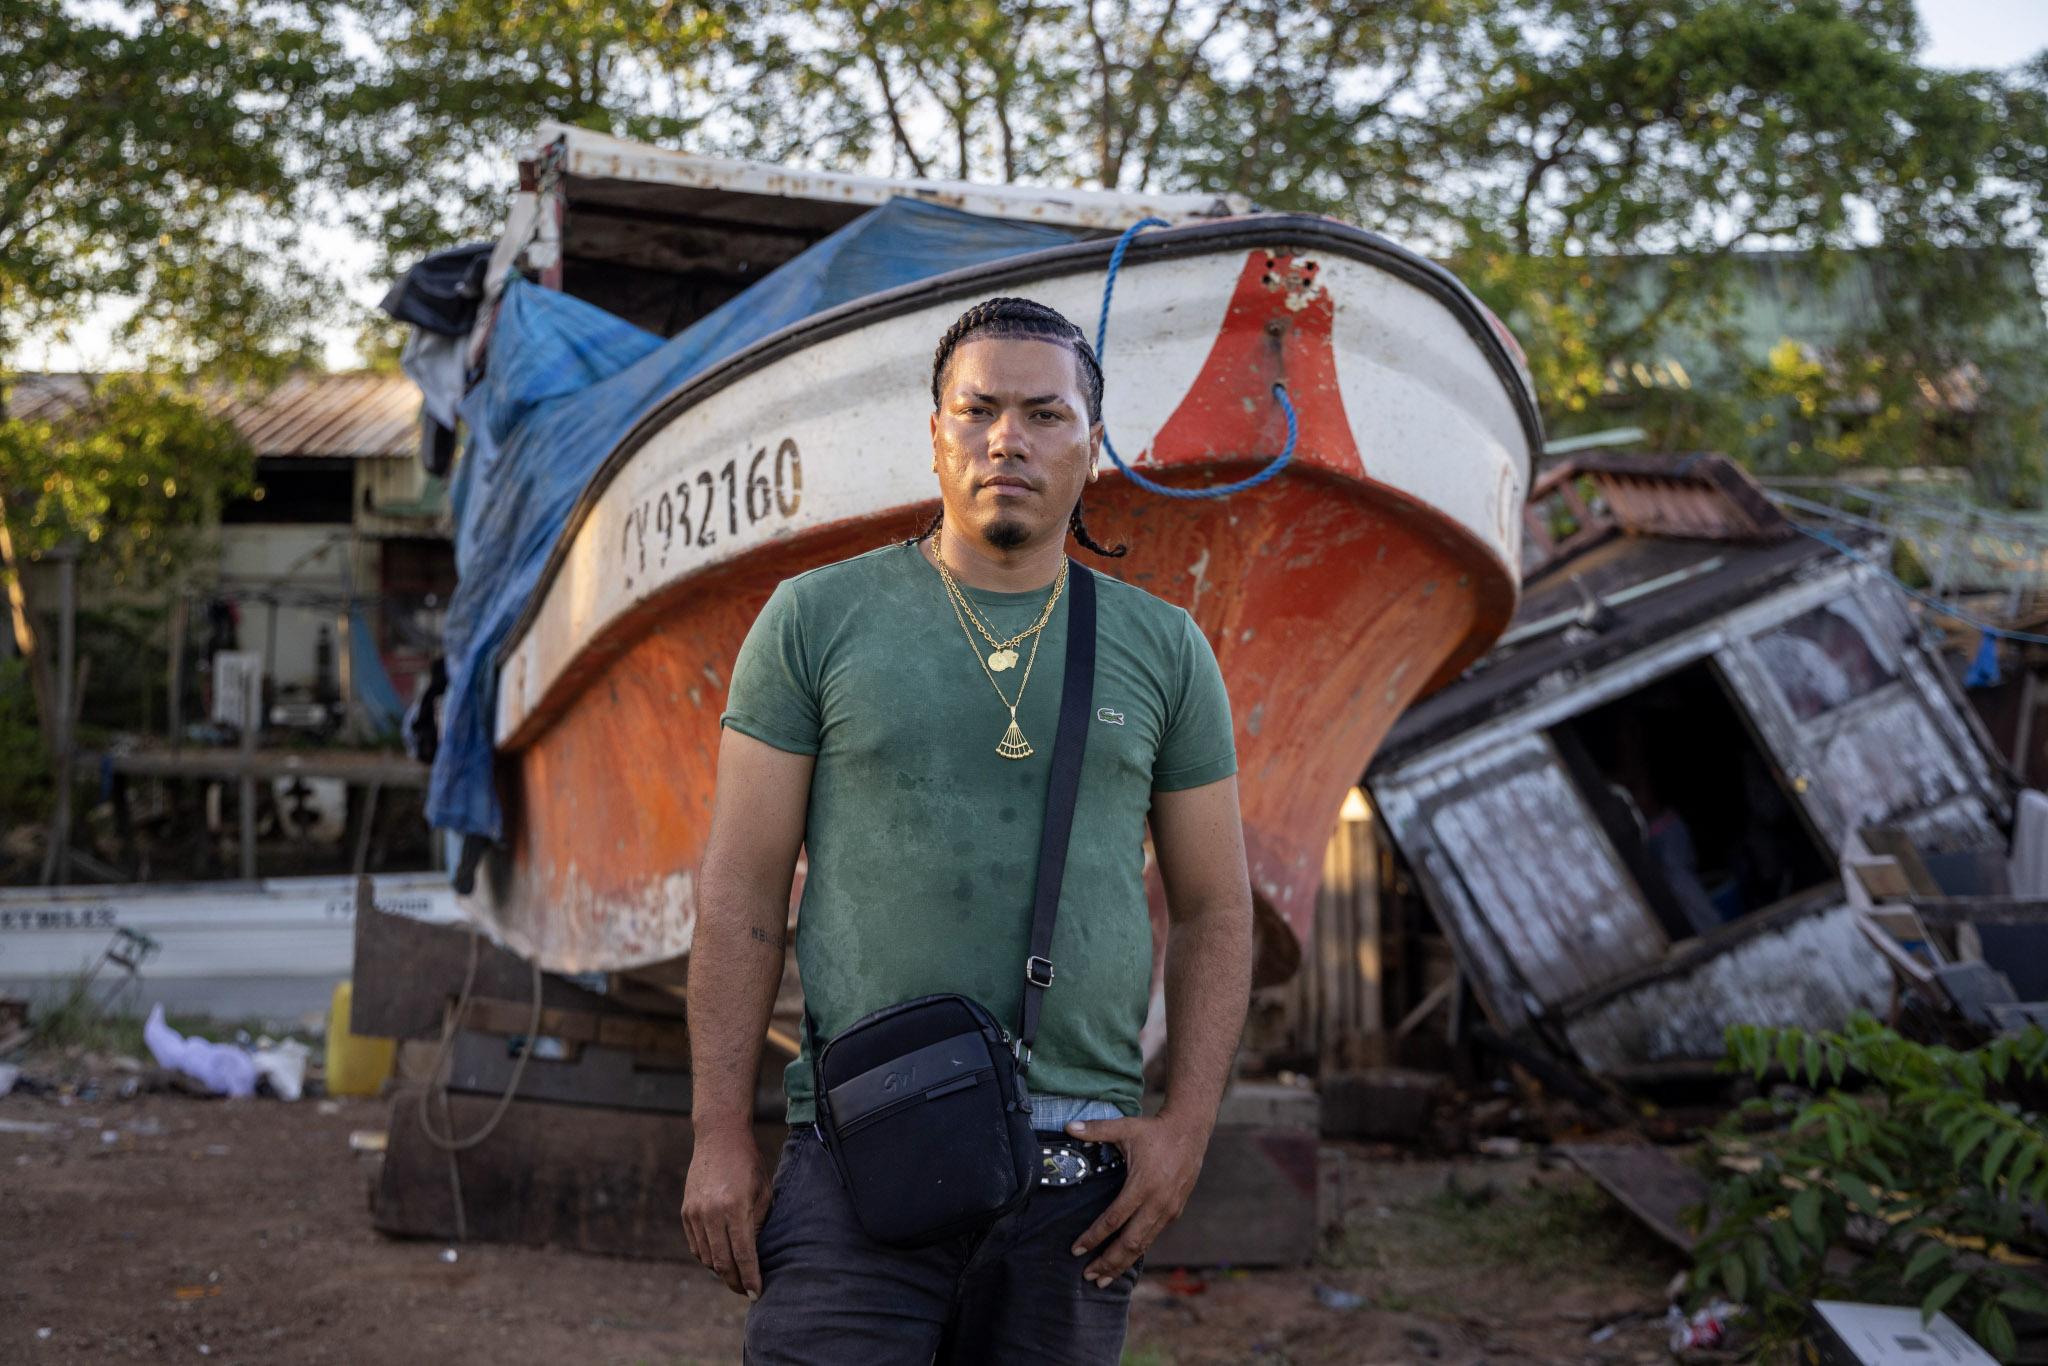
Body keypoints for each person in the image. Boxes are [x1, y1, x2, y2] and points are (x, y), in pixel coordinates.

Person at [681, 296, 1255, 1364]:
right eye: (977, 408)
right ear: (933, 432)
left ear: (1091, 445)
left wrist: (1186, 1130)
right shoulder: (814, 618)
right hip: (860, 1145)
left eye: (1044, 414)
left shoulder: (1164, 648)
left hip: (1079, 1174)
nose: (1007, 437)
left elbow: (1217, 908)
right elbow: (741, 893)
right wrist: (719, 1133)